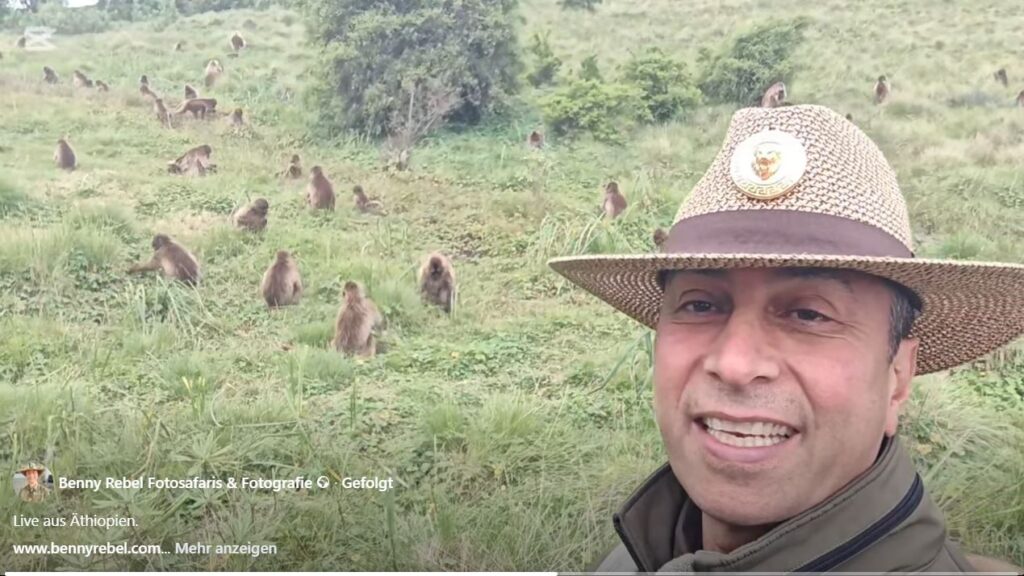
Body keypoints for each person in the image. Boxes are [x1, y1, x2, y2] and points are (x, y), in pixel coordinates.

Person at [549, 105, 1024, 572]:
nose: (734, 363)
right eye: (699, 304)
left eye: (808, 314)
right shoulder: (635, 556)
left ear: (897, 377)